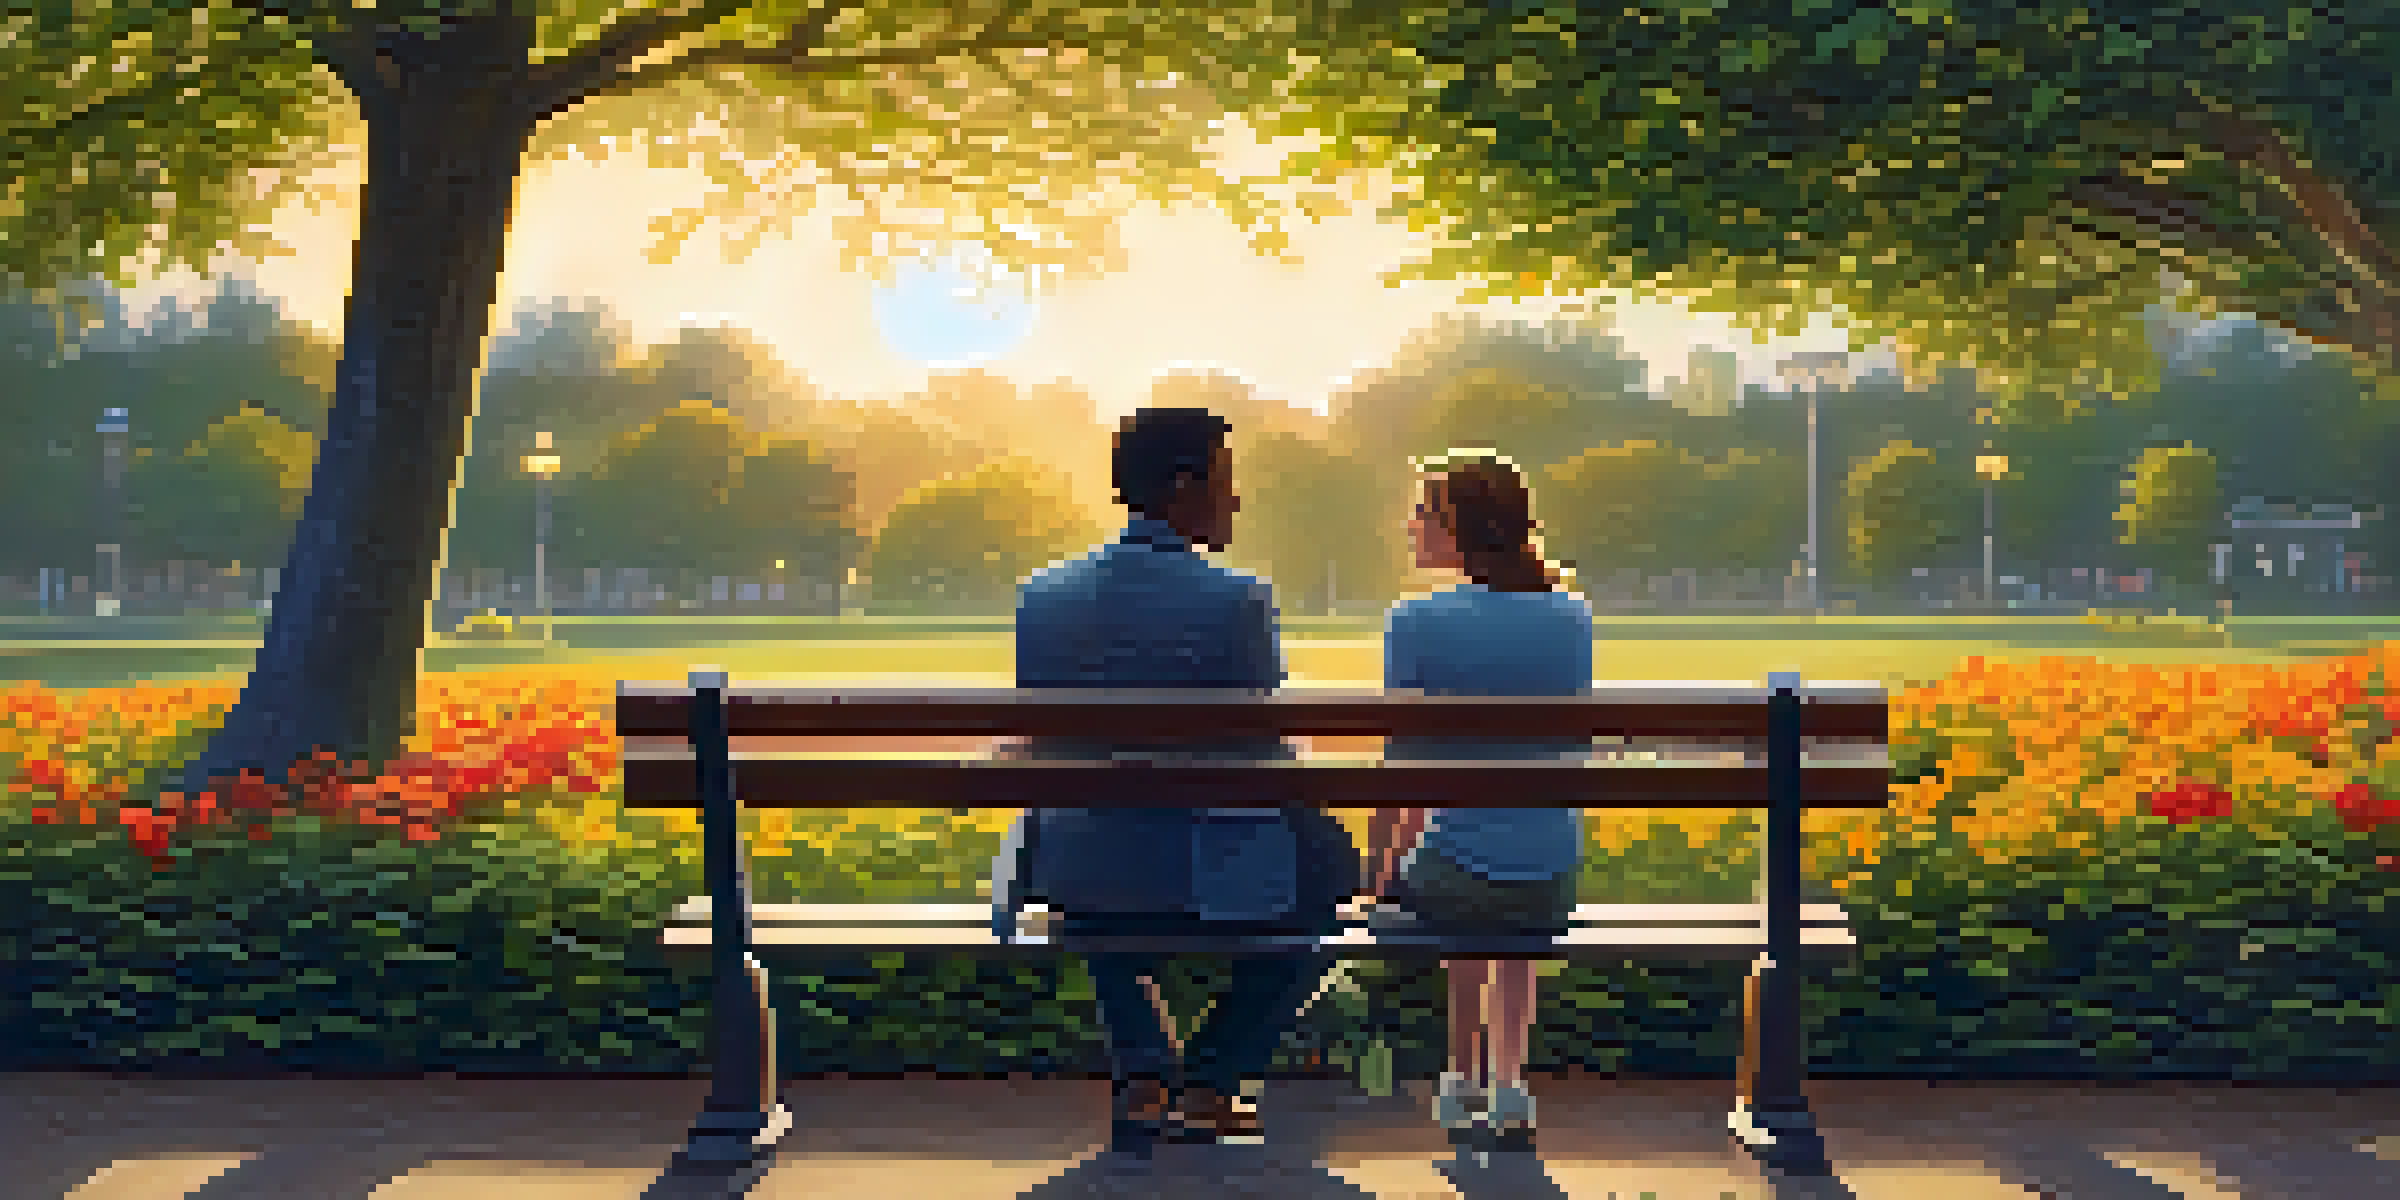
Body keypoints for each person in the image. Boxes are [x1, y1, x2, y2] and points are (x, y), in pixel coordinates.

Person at [990, 406, 1358, 1156]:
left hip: (1079, 871)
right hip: (1196, 871)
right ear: (1184, 485)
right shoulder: (1237, 599)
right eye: (1226, 481)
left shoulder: (1043, 595)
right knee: (1325, 900)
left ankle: (1146, 1077)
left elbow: (1050, 742)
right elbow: (1262, 753)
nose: (1236, 500)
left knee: (1101, 876)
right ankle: (1212, 1084)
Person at [1360, 449, 1593, 1155]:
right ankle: (1510, 1083)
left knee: (1454, 869)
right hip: (1551, 877)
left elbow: (1401, 765)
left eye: (1425, 514)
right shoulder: (1571, 616)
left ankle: (1461, 1076)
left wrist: (1378, 873)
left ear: (1460, 527)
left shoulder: (1416, 620)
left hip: (1456, 880)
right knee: (1504, 886)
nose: (1410, 526)